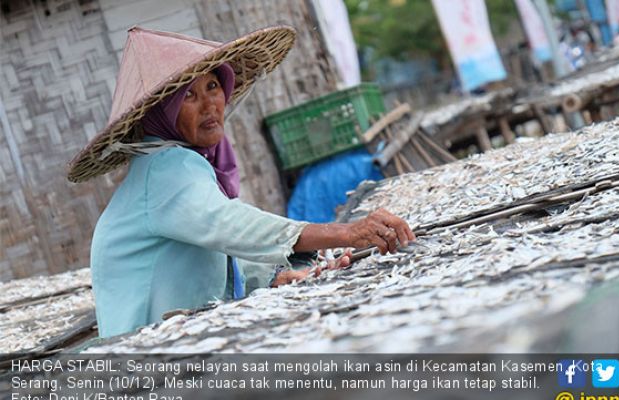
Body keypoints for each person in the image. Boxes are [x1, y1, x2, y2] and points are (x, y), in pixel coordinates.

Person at [67, 26, 415, 338]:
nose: (209, 105)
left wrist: (275, 277)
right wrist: (348, 233)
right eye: (188, 95)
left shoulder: (176, 168)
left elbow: (213, 248)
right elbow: (231, 226)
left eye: (214, 86)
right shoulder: (165, 167)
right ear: (163, 114)